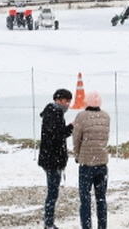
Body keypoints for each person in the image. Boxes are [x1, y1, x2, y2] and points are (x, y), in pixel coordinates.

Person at [72, 91, 110, 229]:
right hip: (102, 161)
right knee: (101, 198)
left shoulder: (81, 117)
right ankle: (102, 226)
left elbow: (76, 138)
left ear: (86, 102)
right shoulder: (106, 116)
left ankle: (86, 226)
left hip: (86, 163)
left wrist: (77, 155)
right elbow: (105, 139)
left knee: (85, 199)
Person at [39, 88, 74, 229]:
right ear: (58, 100)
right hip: (52, 159)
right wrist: (71, 127)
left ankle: (49, 221)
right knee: (52, 192)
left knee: (53, 191)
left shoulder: (52, 112)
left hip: (51, 158)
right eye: (65, 101)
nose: (67, 105)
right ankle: (48, 223)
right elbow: (57, 135)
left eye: (69, 102)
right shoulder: (55, 113)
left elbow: (55, 134)